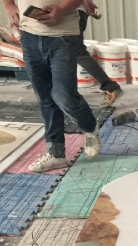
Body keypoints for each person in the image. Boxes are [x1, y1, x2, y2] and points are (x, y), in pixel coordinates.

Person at [2, 0, 101, 173]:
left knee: (64, 96)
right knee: (45, 98)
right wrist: (9, 6)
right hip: (29, 35)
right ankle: (56, 154)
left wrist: (62, 10)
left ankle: (90, 126)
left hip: (62, 36)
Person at [77, 0, 123, 108]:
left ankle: (111, 87)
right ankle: (66, 93)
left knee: (77, 52)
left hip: (70, 15)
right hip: (73, 13)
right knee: (68, 53)